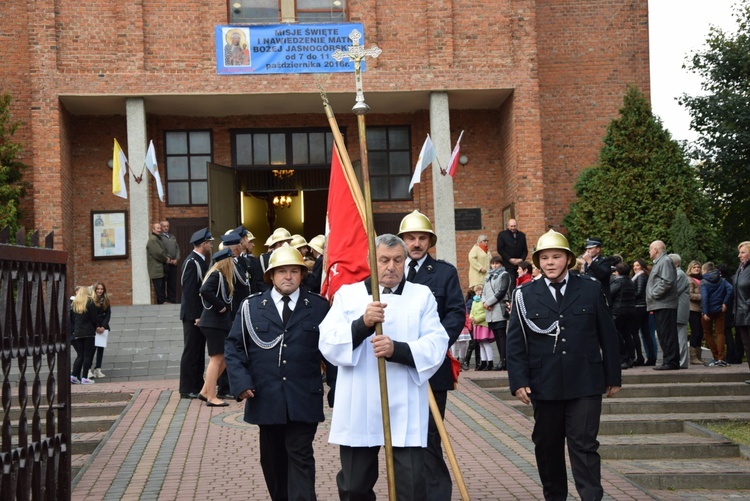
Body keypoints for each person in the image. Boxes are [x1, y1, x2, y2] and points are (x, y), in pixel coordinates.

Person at [319, 233, 449, 500]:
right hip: (360, 401)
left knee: (412, 486)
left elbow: (437, 342)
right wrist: (361, 324)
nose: (391, 267)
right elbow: (328, 342)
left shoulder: (421, 295)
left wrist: (397, 350)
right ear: (371, 261)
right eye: (384, 260)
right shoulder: (348, 295)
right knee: (354, 486)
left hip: (405, 403)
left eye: (398, 260)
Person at [507, 230, 621, 501]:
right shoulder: (525, 294)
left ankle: (591, 496)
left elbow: (608, 333)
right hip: (543, 383)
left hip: (585, 380)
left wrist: (613, 375)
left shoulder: (590, 288)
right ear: (537, 261)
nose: (550, 262)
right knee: (548, 447)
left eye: (556, 257)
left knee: (584, 445)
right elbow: (515, 343)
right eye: (544, 258)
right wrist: (518, 381)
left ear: (568, 259)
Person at [225, 245, 330, 501]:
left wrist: (338, 390)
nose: (288, 276)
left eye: (294, 271)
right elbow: (234, 346)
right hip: (266, 396)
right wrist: (240, 382)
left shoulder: (317, 306)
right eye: (281, 271)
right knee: (272, 461)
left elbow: (331, 352)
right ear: (271, 276)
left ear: (302, 275)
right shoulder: (251, 307)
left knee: (300, 455)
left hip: (304, 396)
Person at [397, 210, 465, 499]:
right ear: (402, 241)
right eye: (410, 238)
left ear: (430, 241)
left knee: (429, 436)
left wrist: (431, 348)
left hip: (430, 368)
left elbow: (455, 314)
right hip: (396, 367)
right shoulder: (390, 271)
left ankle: (436, 495)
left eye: (421, 238)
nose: (416, 243)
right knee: (400, 437)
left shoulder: (444, 273)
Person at [179, 227, 213, 399]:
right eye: (209, 242)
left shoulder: (200, 260)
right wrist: (196, 315)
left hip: (199, 314)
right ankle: (186, 388)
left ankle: (197, 384)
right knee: (191, 351)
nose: (211, 245)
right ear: (203, 243)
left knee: (199, 351)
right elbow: (190, 291)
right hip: (193, 316)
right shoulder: (192, 262)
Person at [198, 247, 235, 406]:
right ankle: (211, 397)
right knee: (216, 359)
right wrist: (220, 306)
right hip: (214, 323)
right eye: (231, 259)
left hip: (218, 323)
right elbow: (204, 290)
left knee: (224, 359)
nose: (233, 262)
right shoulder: (216, 275)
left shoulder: (221, 276)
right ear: (226, 261)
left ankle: (205, 391)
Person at [647, 240, 680, 370]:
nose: (649, 252)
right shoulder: (660, 262)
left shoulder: (665, 261)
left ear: (656, 250)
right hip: (660, 304)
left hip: (664, 304)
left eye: (650, 249)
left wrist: (653, 294)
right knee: (663, 333)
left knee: (667, 334)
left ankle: (671, 361)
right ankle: (669, 360)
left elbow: (667, 281)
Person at [701, 261, 733, 367]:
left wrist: (705, 312)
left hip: (708, 311)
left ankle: (715, 356)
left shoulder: (704, 281)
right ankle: (721, 358)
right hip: (720, 310)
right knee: (720, 333)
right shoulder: (722, 280)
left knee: (708, 333)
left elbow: (705, 297)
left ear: (705, 270)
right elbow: (730, 289)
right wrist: (725, 302)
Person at [483, 255, 511, 371]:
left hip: (499, 308)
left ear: (501, 264)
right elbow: (484, 292)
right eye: (492, 263)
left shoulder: (504, 275)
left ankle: (504, 360)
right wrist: (485, 302)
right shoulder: (488, 276)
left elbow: (502, 291)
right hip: (489, 310)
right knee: (496, 336)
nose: (494, 266)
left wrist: (489, 302)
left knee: (501, 336)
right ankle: (501, 360)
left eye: (497, 263)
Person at [70, 286, 100, 385]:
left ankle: (74, 375)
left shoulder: (75, 304)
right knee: (88, 355)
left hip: (78, 333)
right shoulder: (90, 302)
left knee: (80, 355)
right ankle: (85, 377)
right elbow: (94, 317)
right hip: (88, 332)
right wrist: (97, 326)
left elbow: (73, 319)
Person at [611, 263, 638, 369]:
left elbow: (610, 294)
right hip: (631, 310)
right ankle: (631, 357)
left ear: (617, 272)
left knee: (616, 334)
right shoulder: (631, 281)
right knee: (627, 335)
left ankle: (623, 357)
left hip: (618, 311)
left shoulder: (617, 282)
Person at [733, 242, 750, 384]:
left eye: (743, 252)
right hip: (741, 313)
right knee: (747, 345)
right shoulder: (741, 268)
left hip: (747, 310)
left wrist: (747, 305)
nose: (739, 256)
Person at [670, 254, 691, 369]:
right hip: (677, 308)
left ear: (676, 263)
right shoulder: (677, 274)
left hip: (679, 309)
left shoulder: (679, 274)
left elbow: (674, 291)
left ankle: (682, 361)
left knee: (681, 336)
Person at [632, 259, 655, 366]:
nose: (635, 267)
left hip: (639, 307)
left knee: (635, 332)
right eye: (634, 266)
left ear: (642, 266)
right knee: (646, 333)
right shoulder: (642, 276)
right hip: (643, 306)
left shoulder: (640, 277)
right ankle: (651, 357)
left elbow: (639, 292)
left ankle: (640, 357)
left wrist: (628, 295)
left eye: (637, 265)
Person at [496, 218, 528, 291]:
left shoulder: (522, 235)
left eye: (514, 226)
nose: (513, 228)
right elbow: (500, 249)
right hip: (508, 264)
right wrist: (509, 259)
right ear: (508, 226)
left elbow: (525, 250)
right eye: (511, 226)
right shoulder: (502, 235)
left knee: (522, 282)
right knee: (511, 283)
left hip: (520, 264)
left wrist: (522, 259)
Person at [469, 284, 494, 370]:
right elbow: (472, 311)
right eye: (476, 291)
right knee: (481, 344)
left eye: (479, 290)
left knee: (485, 343)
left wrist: (477, 319)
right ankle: (483, 362)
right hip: (476, 324)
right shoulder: (473, 301)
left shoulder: (484, 300)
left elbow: (485, 312)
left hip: (483, 324)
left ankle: (490, 362)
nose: (478, 292)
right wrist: (471, 317)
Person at [89, 281, 111, 379]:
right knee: (92, 349)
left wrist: (104, 326)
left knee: (100, 349)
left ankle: (98, 369)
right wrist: (97, 326)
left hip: (103, 327)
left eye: (101, 289)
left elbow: (108, 314)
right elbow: (92, 315)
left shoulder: (106, 300)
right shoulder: (91, 300)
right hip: (94, 327)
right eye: (98, 289)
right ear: (95, 290)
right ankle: (88, 369)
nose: (100, 291)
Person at [146, 222, 169, 304]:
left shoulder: (158, 238)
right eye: (157, 228)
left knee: (162, 286)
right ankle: (162, 302)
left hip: (159, 268)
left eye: (160, 228)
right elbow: (158, 253)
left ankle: (163, 301)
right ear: (153, 229)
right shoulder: (152, 239)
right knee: (159, 287)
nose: (159, 230)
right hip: (156, 268)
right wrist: (166, 258)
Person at [687, 260, 704, 365]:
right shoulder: (690, 280)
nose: (697, 269)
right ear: (690, 269)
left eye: (698, 267)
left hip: (701, 309)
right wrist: (703, 297)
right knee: (695, 331)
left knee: (701, 332)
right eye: (694, 267)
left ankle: (699, 355)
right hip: (692, 309)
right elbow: (689, 294)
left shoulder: (702, 279)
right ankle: (693, 357)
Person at [161, 220, 181, 304]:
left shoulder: (172, 237)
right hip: (165, 263)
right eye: (164, 226)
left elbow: (177, 249)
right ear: (161, 227)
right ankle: (164, 300)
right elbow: (161, 250)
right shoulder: (160, 238)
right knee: (163, 282)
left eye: (167, 226)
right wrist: (168, 259)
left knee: (172, 282)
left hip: (174, 263)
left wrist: (177, 259)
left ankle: (172, 300)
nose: (166, 228)